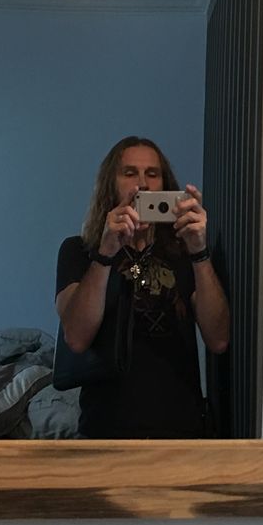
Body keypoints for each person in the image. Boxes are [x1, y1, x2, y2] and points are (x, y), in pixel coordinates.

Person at [54, 136, 231, 438]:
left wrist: (199, 252)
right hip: (104, 431)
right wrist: (105, 254)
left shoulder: (183, 251)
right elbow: (77, 338)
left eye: (152, 173)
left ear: (164, 184)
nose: (143, 185)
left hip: (180, 431)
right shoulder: (79, 251)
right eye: (129, 173)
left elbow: (218, 340)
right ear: (110, 183)